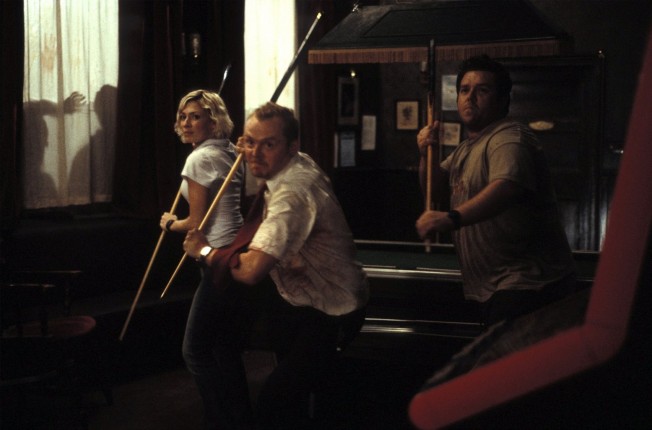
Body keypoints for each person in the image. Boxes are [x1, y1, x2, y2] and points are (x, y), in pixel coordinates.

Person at [183, 101, 369, 429]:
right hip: (302, 299)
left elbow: (251, 270)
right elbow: (260, 155)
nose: (254, 153)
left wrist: (204, 251)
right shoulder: (297, 162)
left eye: (268, 144)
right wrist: (253, 145)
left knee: (273, 405)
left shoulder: (292, 194)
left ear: (292, 146)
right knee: (226, 341)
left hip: (333, 310)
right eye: (249, 142)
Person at [415, 55, 576, 327]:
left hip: (527, 286)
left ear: (502, 100)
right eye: (464, 90)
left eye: (483, 90)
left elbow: (507, 187)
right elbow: (436, 192)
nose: (470, 98)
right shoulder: (465, 149)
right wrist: (425, 154)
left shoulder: (509, 138)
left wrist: (451, 218)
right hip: (497, 288)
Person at [159, 90, 245, 427]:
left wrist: (170, 223)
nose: (186, 123)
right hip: (235, 249)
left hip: (215, 257)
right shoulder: (228, 150)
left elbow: (196, 223)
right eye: (183, 116)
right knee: (224, 347)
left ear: (214, 120)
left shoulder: (199, 158)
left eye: (195, 116)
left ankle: (219, 420)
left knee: (194, 351)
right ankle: (240, 418)